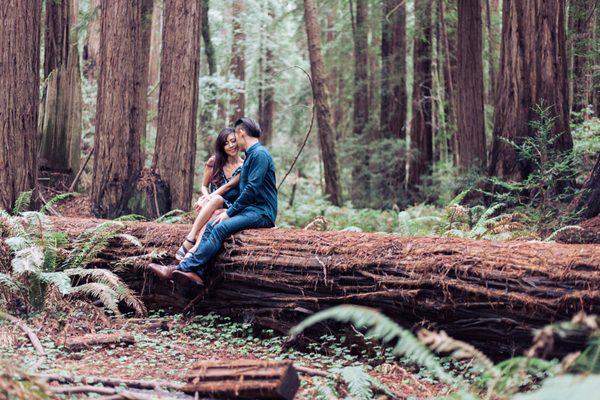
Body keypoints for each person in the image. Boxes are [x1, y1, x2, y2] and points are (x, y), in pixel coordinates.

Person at [148, 117, 278, 286]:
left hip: (262, 212)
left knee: (221, 227)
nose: (235, 143)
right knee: (212, 224)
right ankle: (196, 274)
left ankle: (180, 269)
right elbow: (241, 191)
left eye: (235, 138)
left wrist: (230, 212)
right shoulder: (251, 156)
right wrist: (220, 206)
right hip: (249, 210)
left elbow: (251, 190)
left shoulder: (260, 155)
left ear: (241, 133)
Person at [175, 127, 244, 261]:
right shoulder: (214, 162)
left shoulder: (244, 166)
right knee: (216, 203)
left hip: (231, 208)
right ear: (221, 147)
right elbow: (204, 186)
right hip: (212, 203)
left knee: (216, 206)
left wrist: (207, 199)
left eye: (233, 141)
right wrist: (206, 197)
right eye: (226, 143)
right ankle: (191, 239)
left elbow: (227, 187)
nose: (231, 146)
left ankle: (192, 249)